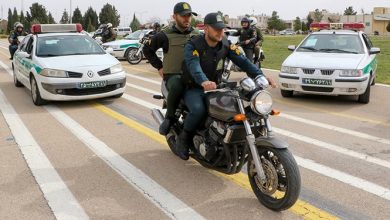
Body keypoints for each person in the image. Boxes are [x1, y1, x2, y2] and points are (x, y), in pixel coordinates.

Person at [176, 13, 276, 160]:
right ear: (206, 28)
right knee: (198, 110)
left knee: (233, 109)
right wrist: (203, 81)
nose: (220, 32)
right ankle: (183, 140)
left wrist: (260, 75)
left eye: (222, 29)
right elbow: (194, 66)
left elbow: (243, 62)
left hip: (216, 86)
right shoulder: (193, 45)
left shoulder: (226, 44)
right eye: (216, 29)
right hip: (195, 87)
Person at [143, 2, 199, 136]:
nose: (187, 19)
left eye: (189, 15)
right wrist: (159, 66)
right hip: (173, 75)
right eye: (183, 16)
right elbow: (147, 49)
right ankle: (169, 118)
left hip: (194, 75)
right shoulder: (164, 35)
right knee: (178, 85)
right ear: (174, 17)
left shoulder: (196, 34)